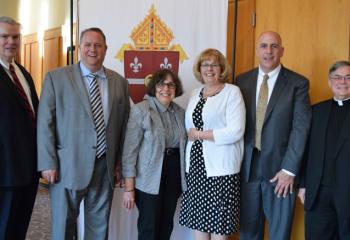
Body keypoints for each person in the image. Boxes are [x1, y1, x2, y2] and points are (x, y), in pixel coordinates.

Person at [37, 27, 130, 240]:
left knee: (99, 229)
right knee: (63, 227)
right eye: (87, 45)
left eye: (98, 45)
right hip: (66, 167)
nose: (92, 50)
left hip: (104, 167)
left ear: (106, 49)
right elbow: (45, 124)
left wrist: (119, 164)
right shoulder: (56, 78)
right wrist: (47, 163)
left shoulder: (119, 83)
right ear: (80, 48)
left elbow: (124, 126)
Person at [235, 31, 311, 240]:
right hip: (247, 168)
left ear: (282, 51)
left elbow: (300, 129)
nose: (269, 51)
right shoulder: (241, 81)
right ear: (257, 50)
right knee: (248, 233)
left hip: (281, 172)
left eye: (274, 46)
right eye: (264, 46)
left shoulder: (298, 84)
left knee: (279, 234)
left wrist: (289, 169)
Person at [179, 48, 246, 240]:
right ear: (199, 69)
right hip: (196, 169)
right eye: (205, 64)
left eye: (214, 64)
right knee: (198, 225)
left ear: (222, 68)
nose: (209, 68)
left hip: (221, 172)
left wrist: (200, 134)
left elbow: (235, 131)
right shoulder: (194, 94)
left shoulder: (232, 92)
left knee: (219, 231)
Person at [122, 68, 186, 240]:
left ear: (176, 88)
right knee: (148, 227)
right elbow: (129, 152)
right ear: (154, 87)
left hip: (173, 174)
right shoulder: (141, 110)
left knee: (166, 225)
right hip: (148, 178)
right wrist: (129, 188)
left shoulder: (180, 112)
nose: (166, 88)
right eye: (161, 84)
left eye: (171, 84)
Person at [298, 61, 350, 240]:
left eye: (348, 77)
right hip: (318, 191)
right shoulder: (316, 111)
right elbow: (306, 151)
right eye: (338, 77)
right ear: (330, 82)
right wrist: (303, 184)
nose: (343, 81)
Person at [0, 16, 39, 240]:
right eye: (4, 36)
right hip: (5, 173)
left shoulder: (23, 73)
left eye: (15, 36)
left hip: (28, 171)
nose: (11, 41)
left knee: (18, 229)